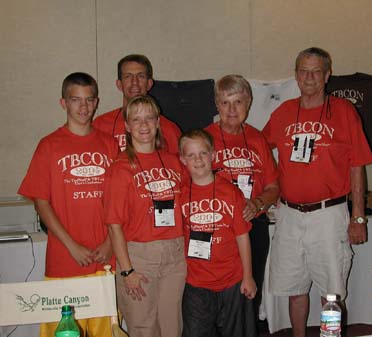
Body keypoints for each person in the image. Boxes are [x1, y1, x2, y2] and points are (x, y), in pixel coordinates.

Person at [262, 47, 372, 337]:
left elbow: (357, 166)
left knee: (332, 294)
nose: (309, 77)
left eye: (315, 71)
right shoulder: (284, 112)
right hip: (289, 216)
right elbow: (260, 152)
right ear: (296, 75)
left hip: (329, 215)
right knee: (295, 291)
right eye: (303, 70)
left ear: (327, 75)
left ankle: (330, 336)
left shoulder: (344, 112)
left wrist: (358, 217)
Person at [18, 72, 118, 337]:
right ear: (64, 103)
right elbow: (41, 202)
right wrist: (71, 246)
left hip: (104, 261)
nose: (83, 107)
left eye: (89, 100)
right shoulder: (49, 146)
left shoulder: (110, 145)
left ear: (97, 102)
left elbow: (121, 201)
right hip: (64, 260)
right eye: (76, 100)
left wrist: (110, 242)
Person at [103, 95, 186, 337]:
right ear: (127, 126)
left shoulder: (174, 163)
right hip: (139, 257)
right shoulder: (120, 168)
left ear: (158, 122)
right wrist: (127, 271)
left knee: (173, 327)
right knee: (143, 328)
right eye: (136, 119)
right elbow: (114, 225)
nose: (143, 125)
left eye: (149, 118)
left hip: (174, 255)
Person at [205, 74, 279, 322]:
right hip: (216, 228)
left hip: (252, 226)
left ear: (248, 103)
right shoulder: (204, 139)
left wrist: (257, 203)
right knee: (217, 296)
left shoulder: (258, 140)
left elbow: (273, 187)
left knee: (249, 292)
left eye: (238, 102)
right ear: (217, 105)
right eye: (225, 102)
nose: (231, 109)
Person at [178, 129, 257, 337]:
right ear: (183, 159)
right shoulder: (181, 194)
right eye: (191, 155)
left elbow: (242, 236)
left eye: (203, 153)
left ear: (213, 155)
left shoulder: (230, 192)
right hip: (197, 281)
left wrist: (248, 276)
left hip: (233, 279)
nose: (198, 160)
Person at [93, 54, 181, 153]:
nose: (135, 82)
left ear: (149, 84)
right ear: (119, 84)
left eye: (141, 76)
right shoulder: (101, 125)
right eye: (128, 76)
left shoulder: (169, 129)